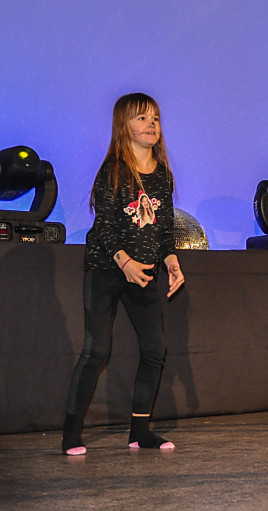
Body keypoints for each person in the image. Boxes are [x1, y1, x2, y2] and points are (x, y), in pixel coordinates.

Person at [61, 93, 185, 455]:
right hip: (106, 268)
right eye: (142, 118)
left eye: (155, 118)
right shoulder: (113, 169)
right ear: (123, 126)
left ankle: (140, 431)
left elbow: (164, 229)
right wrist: (124, 262)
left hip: (142, 272)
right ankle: (71, 432)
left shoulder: (162, 175)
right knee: (97, 349)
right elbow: (104, 226)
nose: (151, 124)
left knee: (155, 349)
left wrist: (171, 261)